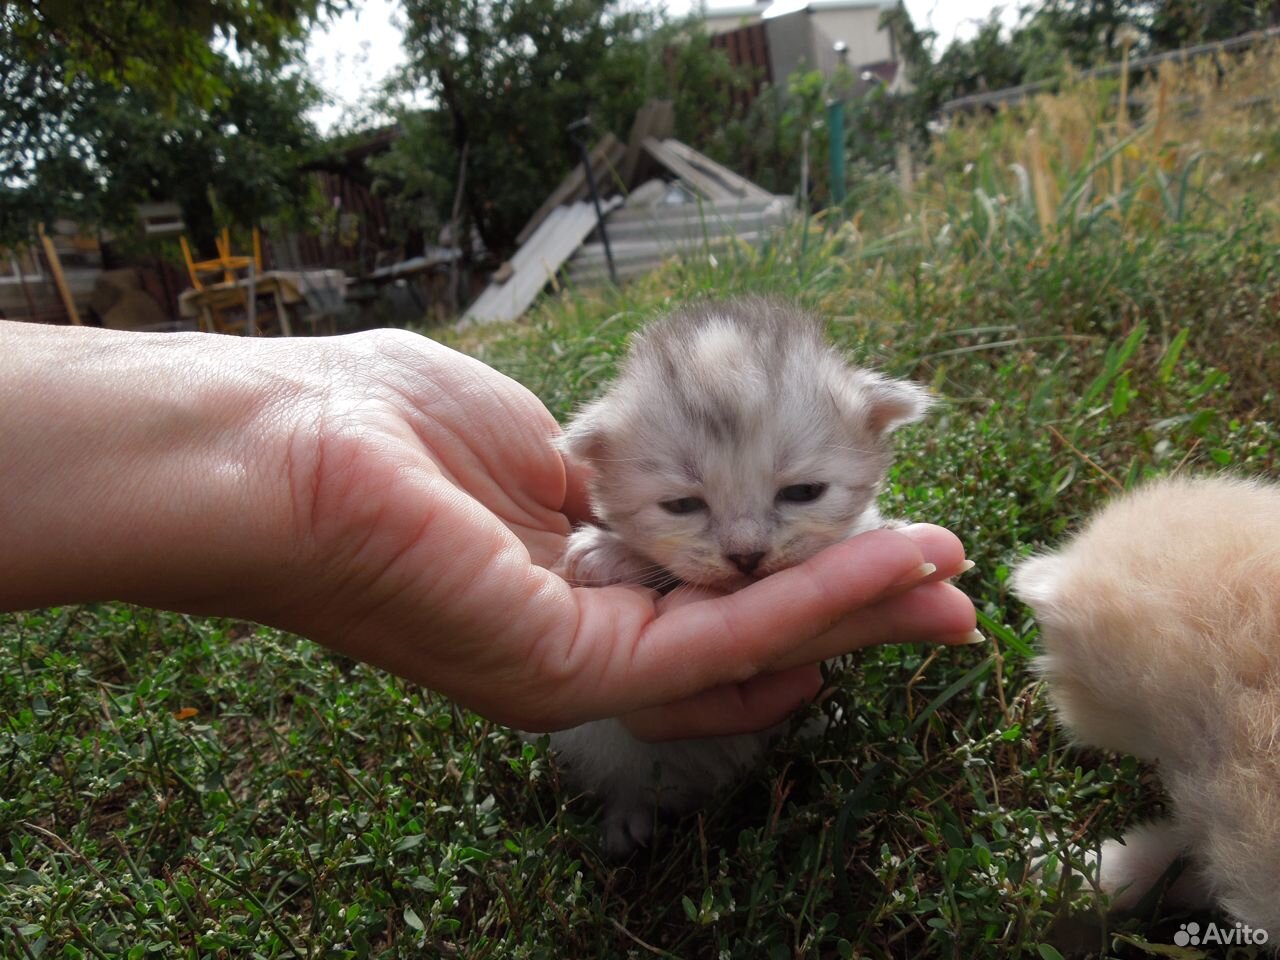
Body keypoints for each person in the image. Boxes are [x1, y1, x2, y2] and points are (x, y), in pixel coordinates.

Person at [0, 321, 978, 741]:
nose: (745, 549)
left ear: (873, 437)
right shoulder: (608, 487)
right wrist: (628, 559)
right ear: (602, 468)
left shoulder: (844, 461)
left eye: (800, 494)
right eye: (681, 507)